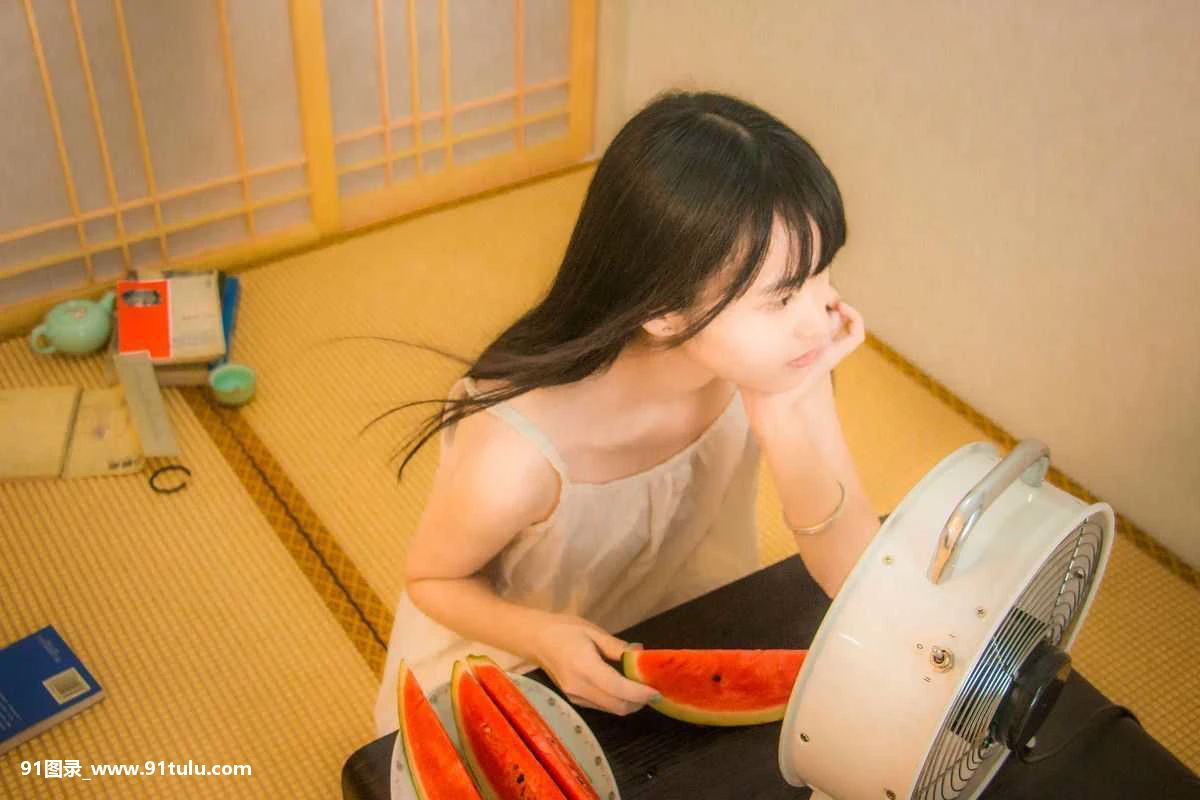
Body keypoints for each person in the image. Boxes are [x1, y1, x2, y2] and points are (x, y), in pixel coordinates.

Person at [373, 90, 881, 735]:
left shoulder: (771, 365)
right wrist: (541, 634)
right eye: (781, 299)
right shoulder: (515, 455)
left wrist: (788, 415)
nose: (819, 318)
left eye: (822, 273)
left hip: (678, 627)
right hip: (514, 668)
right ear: (664, 310)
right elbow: (432, 580)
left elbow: (852, 574)